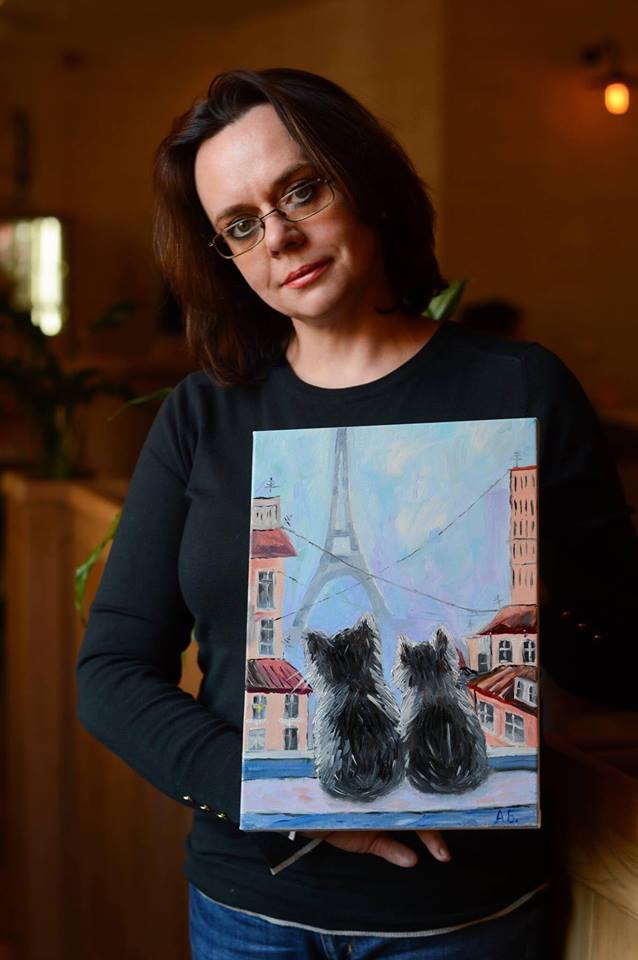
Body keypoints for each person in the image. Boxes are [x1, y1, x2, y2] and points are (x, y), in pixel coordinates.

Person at [76, 67, 638, 959]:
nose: (280, 237)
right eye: (241, 224)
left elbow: (615, 655)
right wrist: (284, 797)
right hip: (250, 911)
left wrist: (517, 575)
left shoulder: (515, 389)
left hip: (461, 921)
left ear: (363, 179)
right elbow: (110, 672)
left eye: (302, 189)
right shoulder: (204, 416)